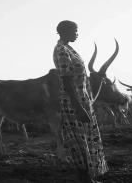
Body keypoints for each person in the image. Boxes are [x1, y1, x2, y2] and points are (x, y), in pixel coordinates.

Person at [53, 21, 107, 182]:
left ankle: (88, 177)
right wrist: (79, 108)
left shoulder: (69, 49)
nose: (77, 34)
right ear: (66, 31)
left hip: (82, 100)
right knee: (79, 141)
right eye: (75, 31)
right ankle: (84, 179)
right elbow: (66, 80)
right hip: (73, 103)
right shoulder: (61, 50)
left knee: (87, 138)